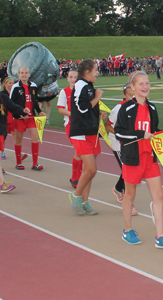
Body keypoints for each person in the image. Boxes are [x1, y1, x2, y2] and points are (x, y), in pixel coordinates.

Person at [114, 71, 163, 249]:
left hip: (150, 159)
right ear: (132, 87)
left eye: (147, 83)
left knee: (158, 196)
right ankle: (128, 230)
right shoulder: (126, 109)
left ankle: (160, 236)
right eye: (141, 84)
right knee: (130, 195)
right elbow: (118, 132)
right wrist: (141, 134)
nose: (145, 87)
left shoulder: (152, 108)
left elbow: (153, 131)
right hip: (132, 159)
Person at [68, 59, 103, 215]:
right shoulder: (81, 85)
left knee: (88, 170)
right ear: (88, 71)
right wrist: (97, 98)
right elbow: (81, 108)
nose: (97, 73)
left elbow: (88, 109)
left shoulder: (88, 86)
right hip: (81, 132)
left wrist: (99, 113)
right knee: (91, 169)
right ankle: (76, 196)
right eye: (95, 69)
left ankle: (85, 202)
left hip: (91, 132)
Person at [105, 82, 138, 216]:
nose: (132, 97)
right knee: (128, 170)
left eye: (133, 94)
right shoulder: (119, 108)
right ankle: (128, 202)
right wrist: (120, 135)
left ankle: (118, 188)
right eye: (129, 95)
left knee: (132, 170)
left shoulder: (139, 107)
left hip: (131, 143)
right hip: (118, 143)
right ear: (124, 95)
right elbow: (107, 125)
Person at [9, 67, 46, 171]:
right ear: (19, 75)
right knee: (18, 140)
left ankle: (35, 163)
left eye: (26, 73)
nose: (24, 75)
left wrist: (39, 111)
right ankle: (18, 162)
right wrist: (20, 113)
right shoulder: (15, 87)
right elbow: (11, 103)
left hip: (31, 117)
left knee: (35, 138)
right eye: (22, 73)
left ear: (29, 74)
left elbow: (34, 102)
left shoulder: (33, 86)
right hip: (19, 118)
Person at [57, 69, 83, 188]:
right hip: (71, 125)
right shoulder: (64, 92)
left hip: (83, 125)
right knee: (79, 151)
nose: (73, 80)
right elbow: (61, 109)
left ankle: (80, 176)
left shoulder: (82, 91)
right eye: (71, 77)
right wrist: (74, 114)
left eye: (76, 77)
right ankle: (74, 178)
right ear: (67, 78)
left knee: (84, 152)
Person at [0, 76, 28, 162]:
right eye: (9, 83)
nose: (11, 85)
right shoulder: (2, 94)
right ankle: (2, 151)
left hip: (13, 118)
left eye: (13, 83)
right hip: (4, 119)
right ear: (5, 84)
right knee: (3, 137)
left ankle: (19, 153)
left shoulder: (15, 93)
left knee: (16, 137)